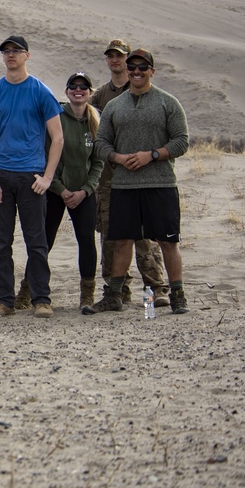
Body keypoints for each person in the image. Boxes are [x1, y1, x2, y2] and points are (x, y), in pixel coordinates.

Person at [86, 49, 190, 315]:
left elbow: (181, 141)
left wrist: (152, 155)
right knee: (121, 241)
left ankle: (177, 295)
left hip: (161, 184)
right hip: (123, 186)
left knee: (168, 242)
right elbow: (100, 143)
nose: (136, 72)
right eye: (132, 67)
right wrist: (118, 158)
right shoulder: (114, 106)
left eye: (142, 67)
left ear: (152, 71)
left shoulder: (168, 102)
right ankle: (114, 296)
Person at [0, 36, 64, 318]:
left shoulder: (41, 91)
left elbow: (58, 138)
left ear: (27, 55)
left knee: (36, 241)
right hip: (0, 175)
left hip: (32, 176)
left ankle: (41, 299)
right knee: (0, 242)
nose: (10, 55)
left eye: (16, 51)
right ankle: (4, 301)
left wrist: (48, 178)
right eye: (6, 51)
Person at [32, 72, 104, 309]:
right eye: (73, 86)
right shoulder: (56, 116)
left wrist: (86, 190)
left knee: (86, 240)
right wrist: (60, 189)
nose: (78, 89)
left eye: (84, 86)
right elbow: (44, 154)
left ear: (90, 93)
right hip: (55, 192)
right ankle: (28, 290)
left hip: (84, 193)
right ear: (66, 91)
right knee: (45, 241)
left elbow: (98, 162)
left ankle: (87, 296)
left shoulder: (95, 121)